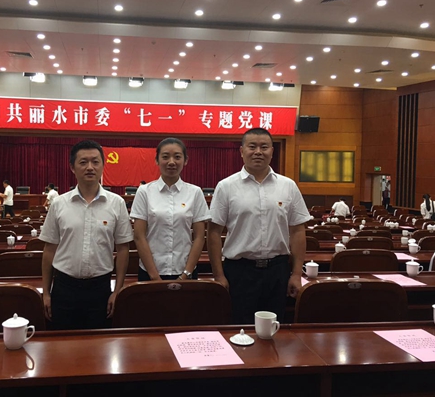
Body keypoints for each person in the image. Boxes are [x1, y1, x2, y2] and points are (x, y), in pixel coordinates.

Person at [208, 127, 310, 325]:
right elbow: (213, 232)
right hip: (239, 271)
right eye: (252, 146)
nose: (258, 152)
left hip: (278, 271)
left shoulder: (288, 186)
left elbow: (298, 230)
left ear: (272, 151)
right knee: (240, 329)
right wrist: (219, 275)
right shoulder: (226, 186)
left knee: (274, 329)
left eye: (264, 147)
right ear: (241, 151)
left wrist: (297, 274)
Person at [39, 140, 133, 330]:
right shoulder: (59, 204)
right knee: (61, 343)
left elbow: (123, 249)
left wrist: (118, 291)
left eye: (95, 162)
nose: (90, 167)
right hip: (64, 287)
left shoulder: (117, 203)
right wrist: (46, 293)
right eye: (83, 162)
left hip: (100, 289)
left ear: (103, 165)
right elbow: (49, 250)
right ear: (72, 167)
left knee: (100, 344)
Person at [130, 138, 210, 281]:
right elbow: (139, 236)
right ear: (157, 160)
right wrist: (154, 276)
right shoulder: (144, 192)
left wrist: (186, 274)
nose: (171, 162)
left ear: (185, 160)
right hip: (150, 272)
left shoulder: (195, 192)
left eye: (177, 157)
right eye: (165, 157)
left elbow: (199, 237)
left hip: (185, 271)